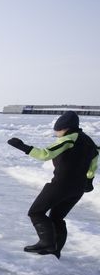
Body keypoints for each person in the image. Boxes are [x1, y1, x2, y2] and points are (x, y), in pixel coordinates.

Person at [7, 110, 98, 258]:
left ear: (66, 128)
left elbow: (45, 154)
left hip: (61, 184)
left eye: (58, 131)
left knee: (36, 212)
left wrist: (23, 147)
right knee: (57, 218)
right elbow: (93, 166)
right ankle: (55, 250)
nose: (56, 134)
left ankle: (47, 244)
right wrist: (89, 181)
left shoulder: (68, 139)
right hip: (78, 187)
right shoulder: (90, 143)